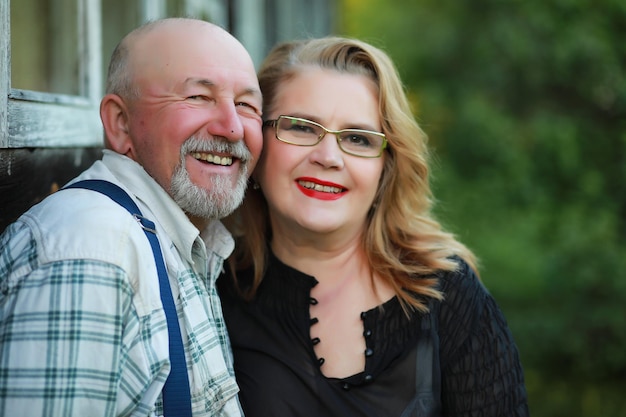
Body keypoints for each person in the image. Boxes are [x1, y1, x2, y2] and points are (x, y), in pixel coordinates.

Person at [217, 36, 530, 416]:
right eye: (301, 127)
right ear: (257, 141)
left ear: (385, 169)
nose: (328, 157)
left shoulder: (448, 296)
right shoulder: (212, 288)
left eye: (358, 138)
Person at [0, 18, 263, 416]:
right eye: (197, 97)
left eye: (246, 105)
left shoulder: (180, 239)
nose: (232, 127)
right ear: (120, 123)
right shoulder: (93, 254)